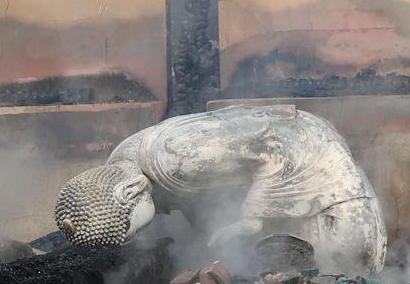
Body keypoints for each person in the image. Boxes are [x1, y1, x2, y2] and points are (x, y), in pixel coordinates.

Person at [54, 105, 387, 274]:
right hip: (273, 173)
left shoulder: (176, 157)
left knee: (348, 261)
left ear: (130, 192)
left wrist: (250, 220)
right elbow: (200, 195)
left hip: (311, 158)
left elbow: (276, 145)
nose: (138, 236)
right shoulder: (123, 161)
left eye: (133, 231)